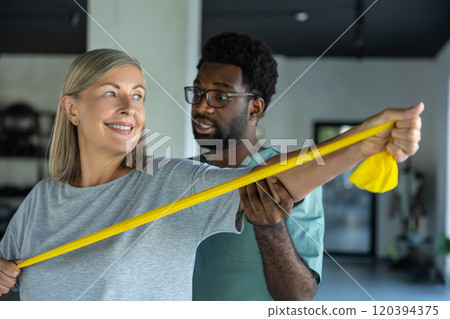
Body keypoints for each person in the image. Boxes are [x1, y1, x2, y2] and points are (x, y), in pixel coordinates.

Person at [0, 48, 422, 301]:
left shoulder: (168, 182)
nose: (130, 107)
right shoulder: (40, 201)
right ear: (71, 109)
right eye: (111, 93)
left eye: (139, 95)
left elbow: (272, 179)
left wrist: (364, 140)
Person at [189, 32, 323, 301]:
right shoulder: (181, 175)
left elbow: (298, 298)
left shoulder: (292, 179)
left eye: (221, 96)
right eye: (198, 91)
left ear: (254, 109)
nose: (202, 106)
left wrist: (270, 230)